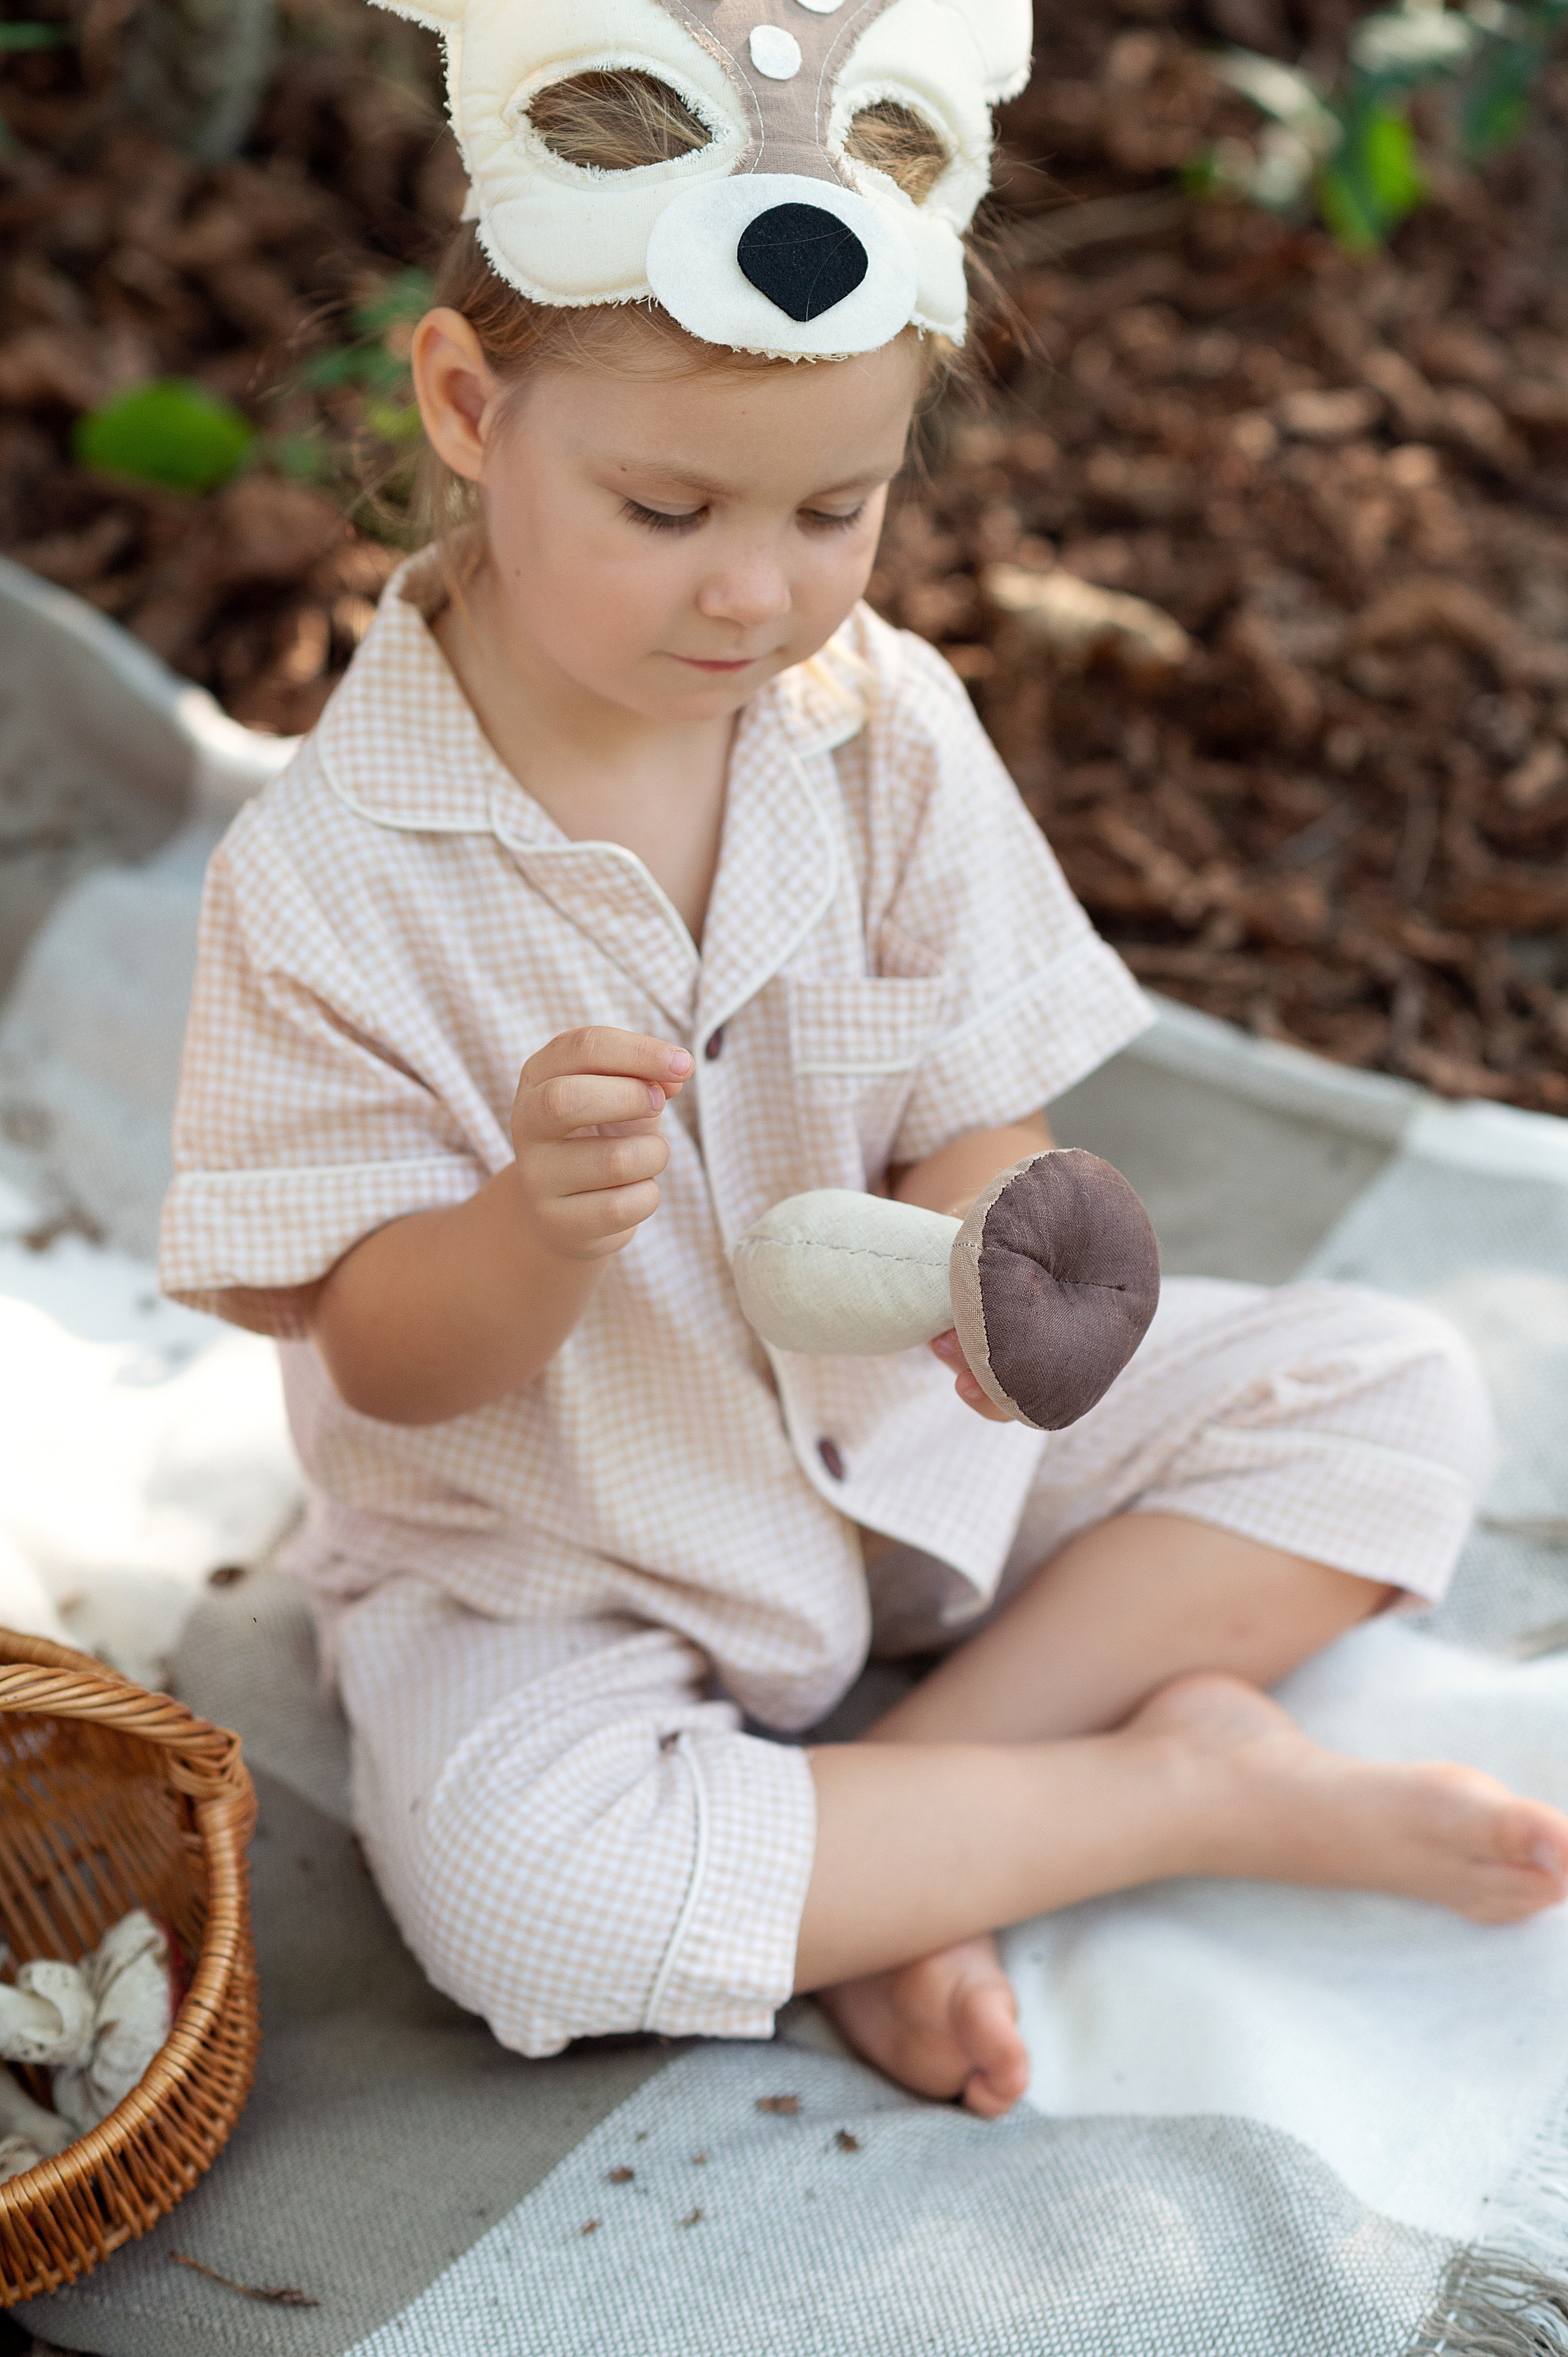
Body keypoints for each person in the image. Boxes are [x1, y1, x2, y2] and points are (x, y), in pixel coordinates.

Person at [160, 39, 1568, 2121]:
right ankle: (1166, 1794)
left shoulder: (872, 719)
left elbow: (976, 1104)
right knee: (522, 1902)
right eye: (668, 510)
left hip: (907, 1461)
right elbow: (385, 1358)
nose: (760, 587)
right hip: (566, 1552)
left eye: (839, 507)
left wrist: (994, 1261)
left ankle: (904, 1835)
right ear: (468, 409)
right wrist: (526, 1232)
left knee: (1394, 1395)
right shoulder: (331, 873)